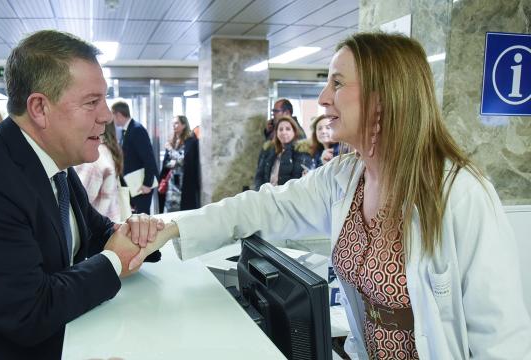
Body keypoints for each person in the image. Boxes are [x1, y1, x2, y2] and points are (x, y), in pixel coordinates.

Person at [130, 32, 531, 359]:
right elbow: (263, 205)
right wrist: (170, 227)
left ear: (383, 98)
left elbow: (502, 339)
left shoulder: (460, 194)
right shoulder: (345, 177)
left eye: (337, 83)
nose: (323, 98)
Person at [0, 30, 162, 360]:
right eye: (92, 102)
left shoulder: (56, 165)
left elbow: (96, 233)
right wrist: (114, 261)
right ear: (39, 108)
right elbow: (29, 312)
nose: (106, 115)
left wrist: (136, 232)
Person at [111, 101, 158, 215]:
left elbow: (149, 158)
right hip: (133, 184)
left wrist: (147, 184)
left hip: (142, 185)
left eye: (112, 115)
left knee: (142, 218)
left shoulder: (137, 129)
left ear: (118, 114)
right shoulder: (126, 130)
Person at [75, 121, 124, 222]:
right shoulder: (108, 149)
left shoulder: (93, 158)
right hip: (110, 220)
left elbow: (78, 202)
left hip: (98, 229)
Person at [253, 116, 311, 190]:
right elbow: (259, 175)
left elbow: (298, 180)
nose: (284, 132)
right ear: (276, 132)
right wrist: (260, 191)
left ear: (294, 131)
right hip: (267, 195)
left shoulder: (302, 151)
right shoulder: (269, 150)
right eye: (280, 129)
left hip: (287, 197)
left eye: (288, 129)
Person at [159, 115, 200, 212]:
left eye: (176, 123)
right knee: (170, 209)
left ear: (184, 125)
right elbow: (167, 162)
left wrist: (171, 150)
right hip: (171, 182)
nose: (174, 126)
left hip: (185, 182)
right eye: (173, 123)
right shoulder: (173, 140)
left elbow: (184, 159)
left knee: (184, 210)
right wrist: (173, 163)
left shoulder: (191, 140)